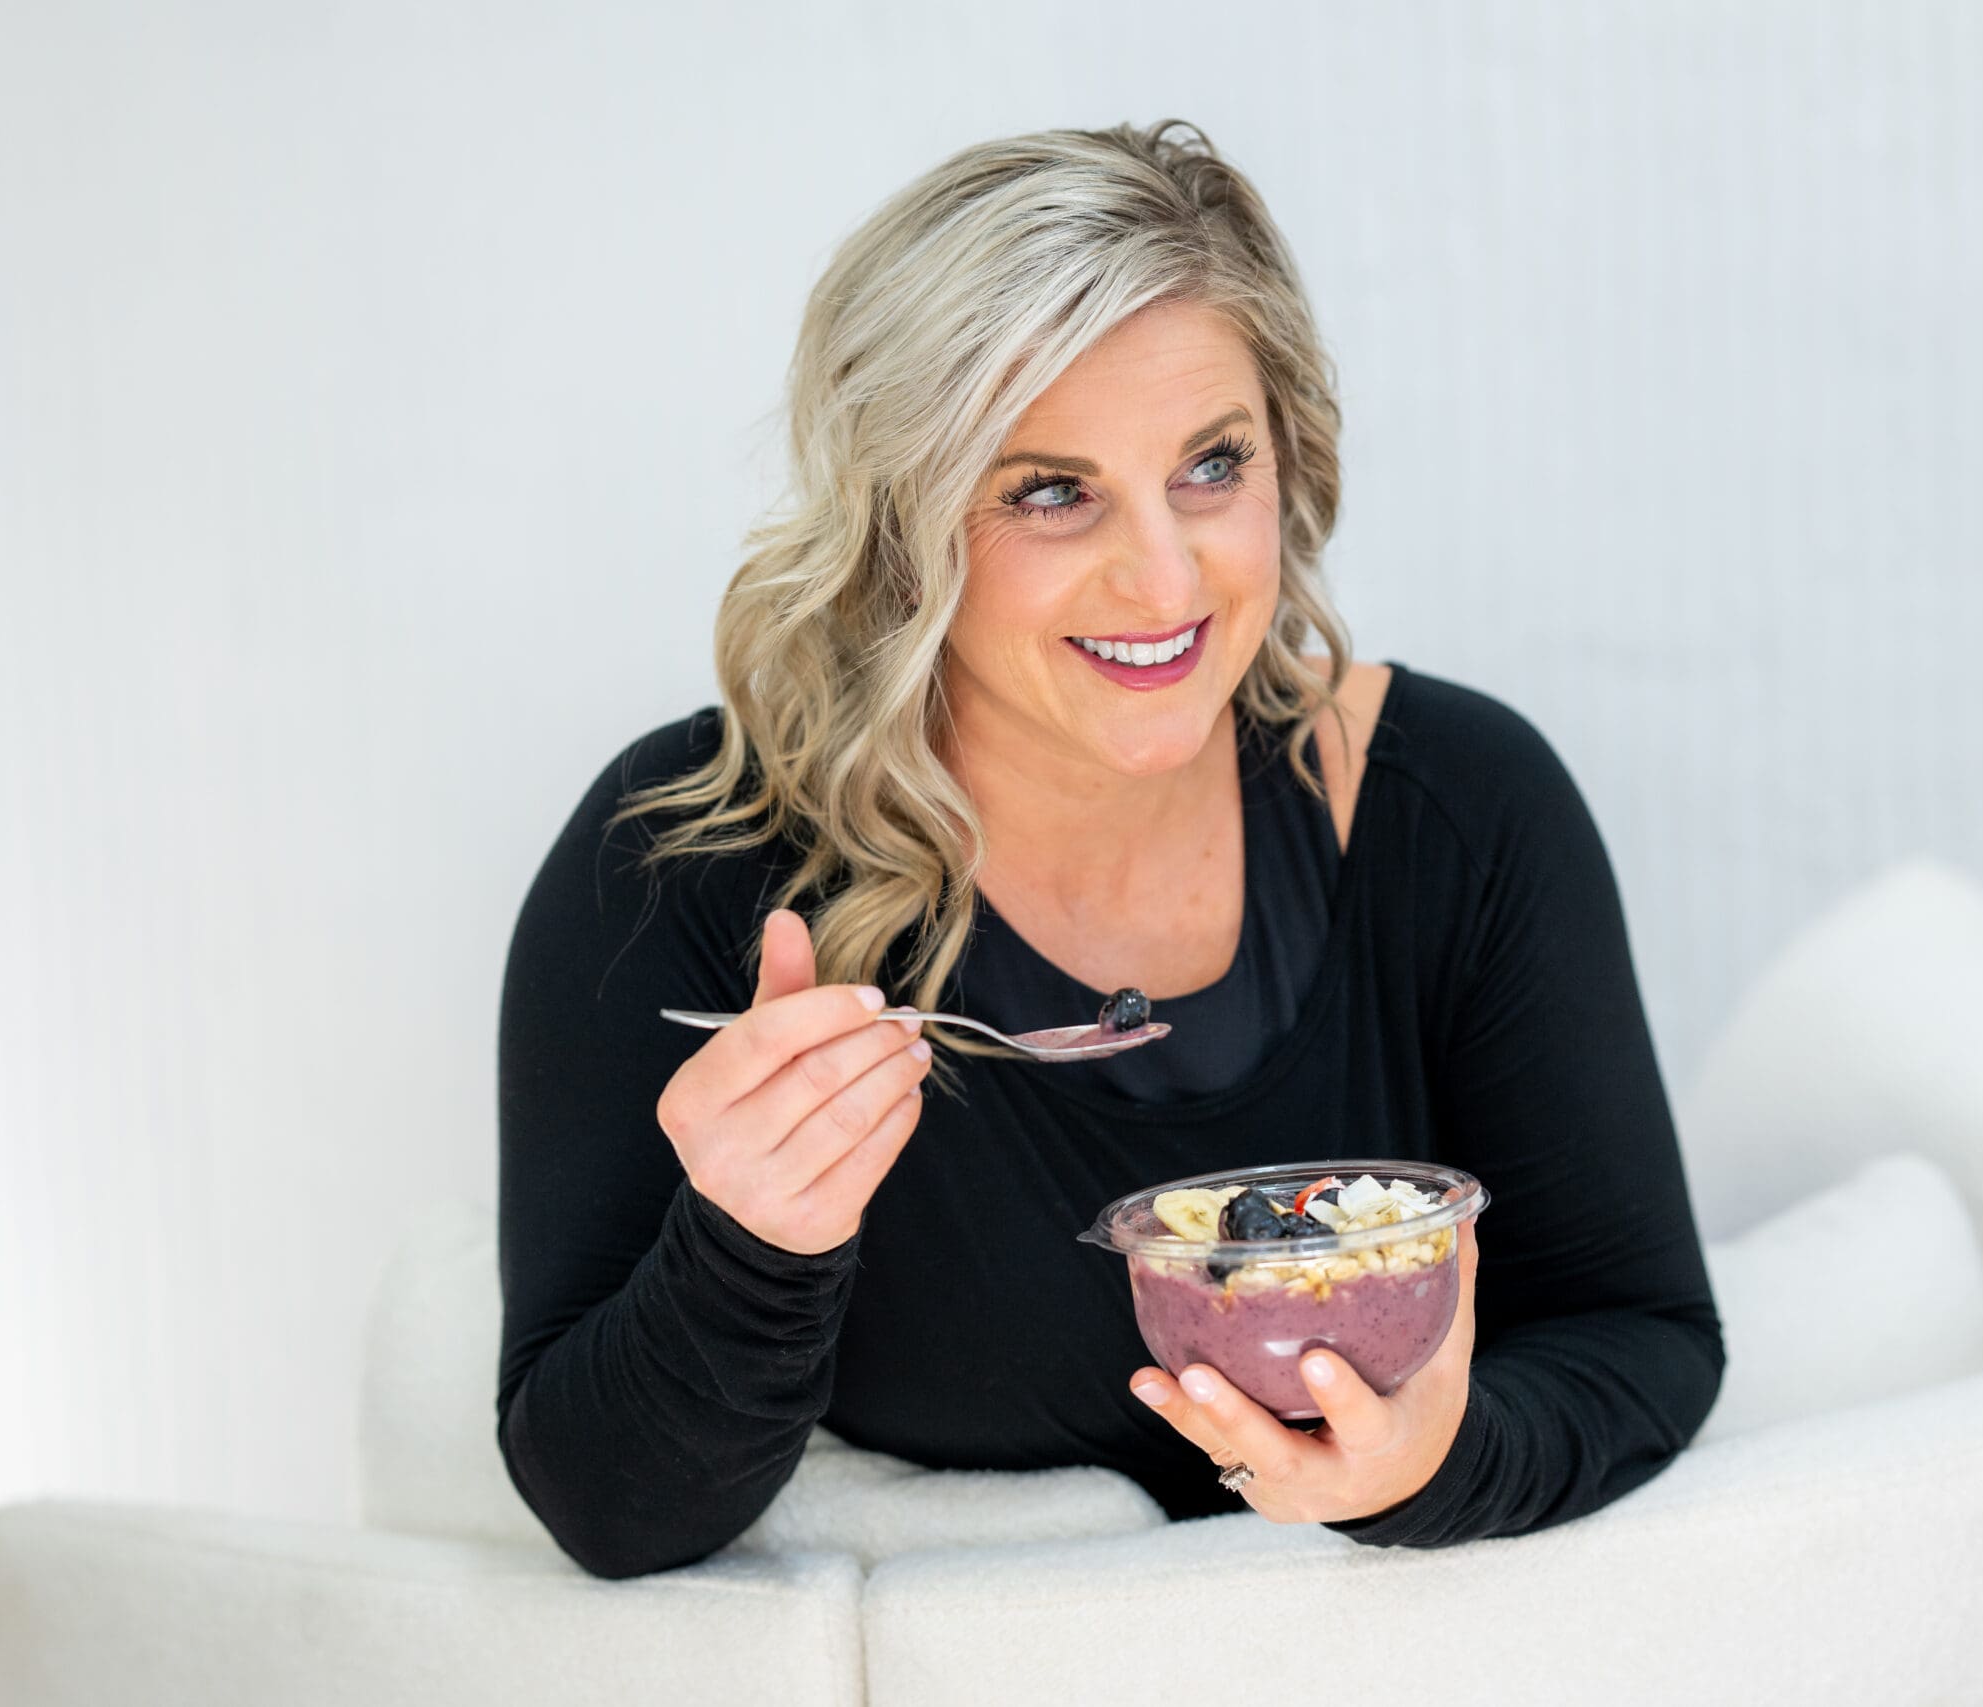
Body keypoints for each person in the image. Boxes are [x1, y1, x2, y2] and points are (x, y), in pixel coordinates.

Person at [496, 118, 1724, 1580]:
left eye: (1212, 465)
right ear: (902, 533)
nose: (1162, 574)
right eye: (1049, 490)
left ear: (1293, 461)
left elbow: (1638, 1334)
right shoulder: (682, 866)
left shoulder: (1454, 808)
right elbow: (609, 1511)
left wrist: (1435, 1467)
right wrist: (752, 1242)